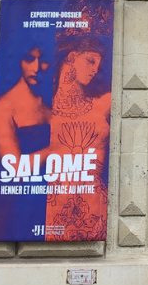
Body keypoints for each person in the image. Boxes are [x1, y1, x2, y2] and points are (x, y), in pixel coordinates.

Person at [45, 34, 112, 241]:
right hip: (51, 211)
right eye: (90, 60)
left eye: (97, 65)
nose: (94, 70)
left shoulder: (103, 104)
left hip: (95, 209)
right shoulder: (41, 109)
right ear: (72, 57)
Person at [0, 46, 51, 160]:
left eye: (44, 60)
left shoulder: (53, 101)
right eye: (29, 59)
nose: (36, 68)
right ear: (19, 61)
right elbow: (14, 168)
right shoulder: (3, 107)